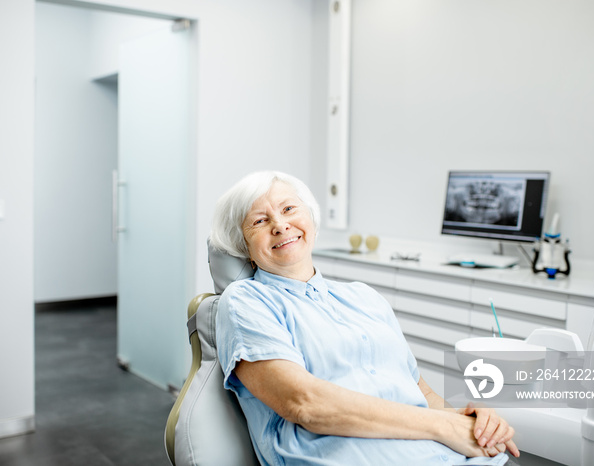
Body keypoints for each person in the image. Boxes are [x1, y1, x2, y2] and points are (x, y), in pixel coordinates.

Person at [212, 171, 520, 465]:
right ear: (246, 247)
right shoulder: (246, 302)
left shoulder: (365, 297)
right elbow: (305, 404)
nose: (280, 225)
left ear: (312, 221)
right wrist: (443, 426)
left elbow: (421, 392)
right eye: (260, 221)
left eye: (289, 208)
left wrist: (471, 421)